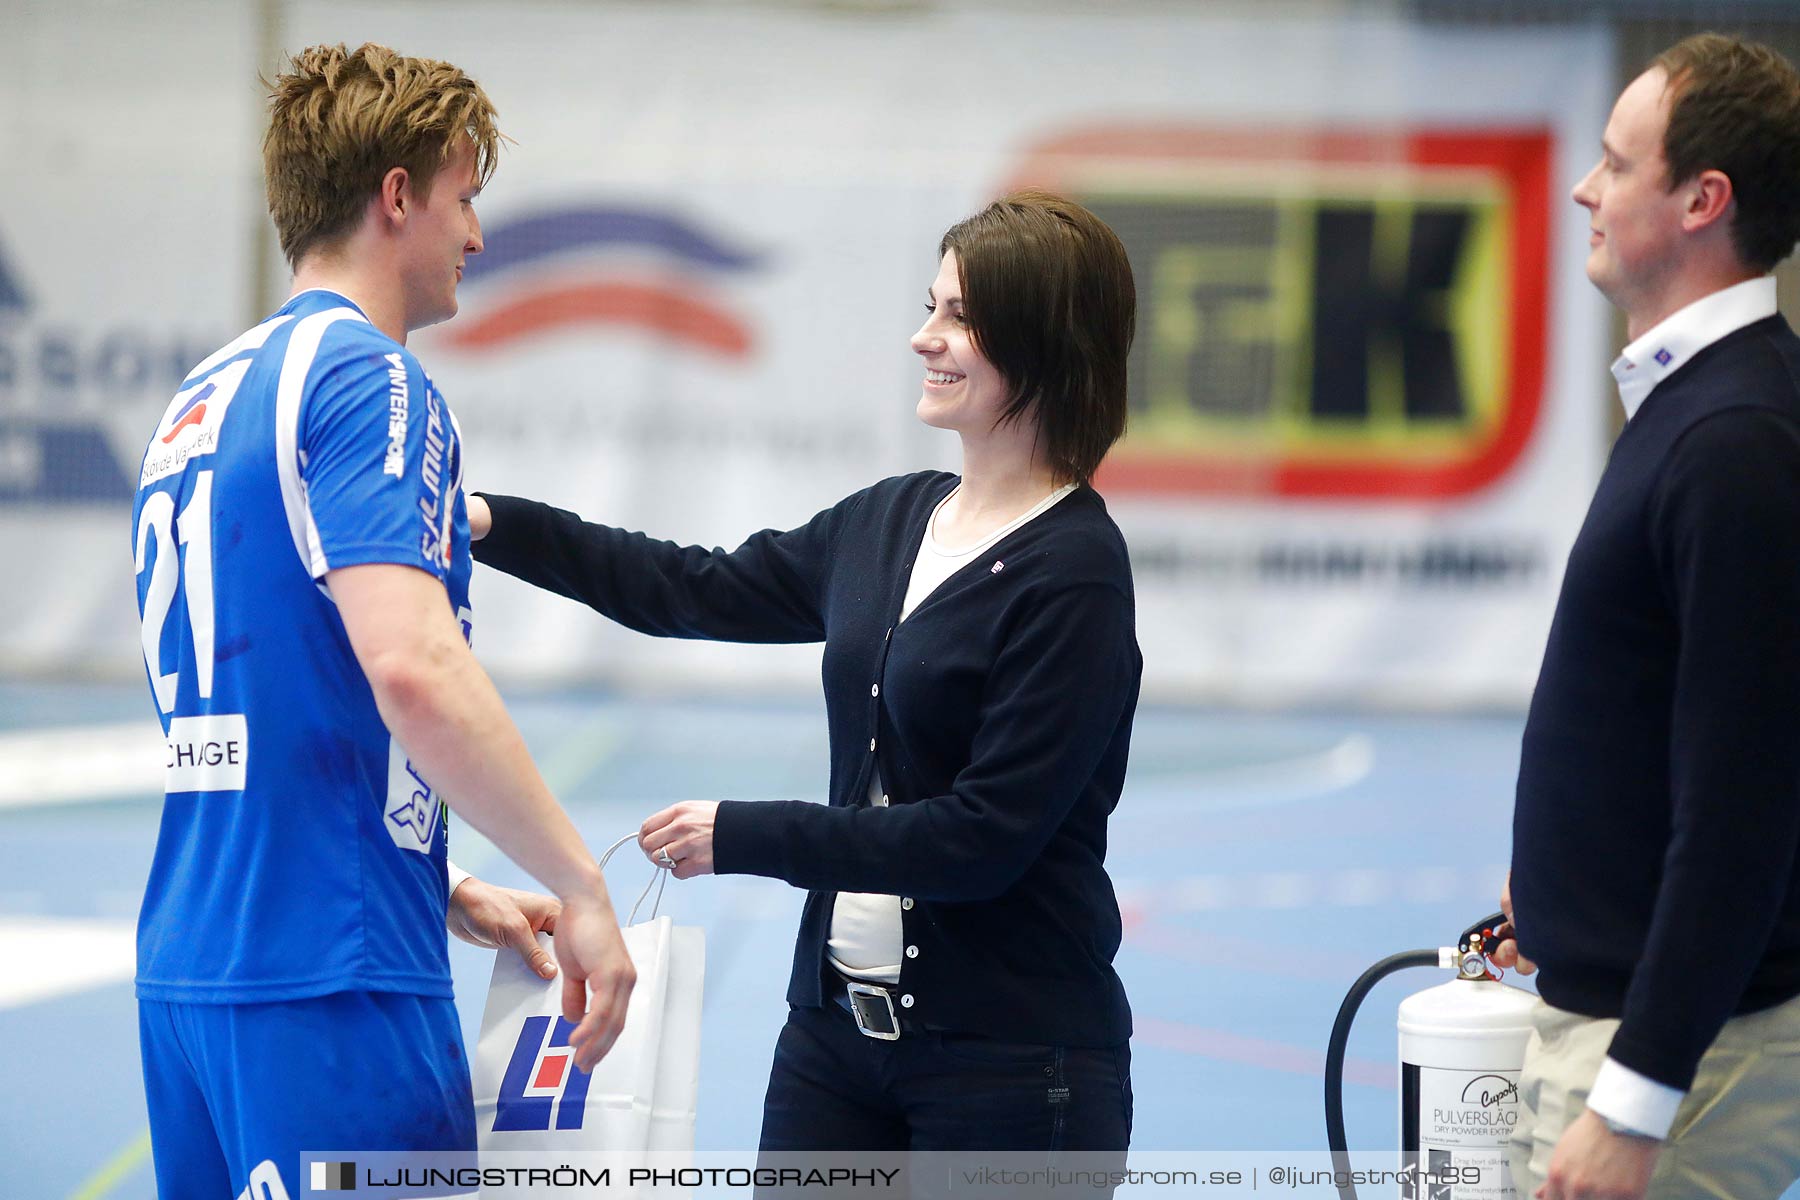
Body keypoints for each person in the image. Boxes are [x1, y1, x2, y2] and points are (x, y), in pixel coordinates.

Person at [468, 189, 1140, 1151]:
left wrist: (745, 834)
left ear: (1039, 342)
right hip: (833, 1049)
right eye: (930, 307)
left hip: (1014, 1068)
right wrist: (494, 523)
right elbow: (684, 587)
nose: (925, 338)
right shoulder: (889, 520)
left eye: (959, 316)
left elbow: (981, 841)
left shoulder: (1076, 573)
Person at [129, 43, 634, 1199]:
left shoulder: (202, 396)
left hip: (194, 973)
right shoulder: (371, 379)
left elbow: (241, 686)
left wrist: (433, 879)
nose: (477, 236)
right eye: (464, 199)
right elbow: (412, 666)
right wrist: (582, 884)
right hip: (330, 984)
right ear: (396, 196)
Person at [1489, 32, 1800, 1200]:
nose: (1584, 187)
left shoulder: (1736, 446)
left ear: (1701, 201)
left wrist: (1635, 1101)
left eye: (1616, 165)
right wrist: (1572, 888)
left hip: (1682, 1072)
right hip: (1637, 1027)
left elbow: (1745, 805)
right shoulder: (1703, 413)